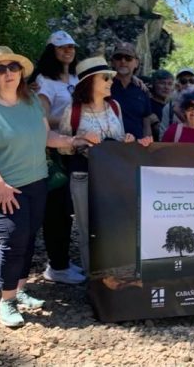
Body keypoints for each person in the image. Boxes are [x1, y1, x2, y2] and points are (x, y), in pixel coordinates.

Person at [0, 46, 96, 327]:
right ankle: (6, 301)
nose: (8, 73)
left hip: (36, 182)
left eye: (13, 67)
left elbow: (46, 136)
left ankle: (19, 290)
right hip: (3, 187)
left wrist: (73, 141)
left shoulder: (32, 101)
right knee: (12, 241)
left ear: (21, 72)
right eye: (0, 69)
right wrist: (0, 186)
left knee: (26, 239)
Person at [58, 57, 147, 274]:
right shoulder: (74, 110)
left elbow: (119, 138)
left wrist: (127, 140)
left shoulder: (114, 107)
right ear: (89, 82)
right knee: (87, 226)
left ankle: (114, 275)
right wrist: (81, 142)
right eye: (105, 78)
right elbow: (61, 147)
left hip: (112, 177)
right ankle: (93, 278)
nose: (110, 82)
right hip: (83, 174)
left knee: (114, 224)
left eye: (110, 78)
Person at [30, 30, 84, 285]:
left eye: (71, 46)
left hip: (74, 148)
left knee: (70, 210)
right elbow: (42, 117)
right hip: (53, 151)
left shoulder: (75, 77)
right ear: (51, 50)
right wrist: (74, 119)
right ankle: (57, 266)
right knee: (56, 210)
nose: (68, 50)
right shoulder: (44, 80)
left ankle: (64, 261)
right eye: (62, 47)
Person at [109, 42, 153, 144]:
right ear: (112, 62)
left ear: (136, 63)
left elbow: (146, 123)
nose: (123, 61)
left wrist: (149, 146)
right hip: (109, 149)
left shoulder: (142, 90)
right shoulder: (104, 86)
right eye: (118, 57)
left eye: (128, 58)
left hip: (137, 150)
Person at [158, 67, 194, 139]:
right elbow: (162, 136)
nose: (188, 84)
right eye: (183, 81)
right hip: (175, 148)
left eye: (192, 81)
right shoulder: (169, 108)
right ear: (177, 85)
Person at [148, 69, 174, 140]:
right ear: (153, 84)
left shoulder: (172, 107)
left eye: (170, 84)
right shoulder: (147, 105)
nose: (166, 87)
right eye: (162, 83)